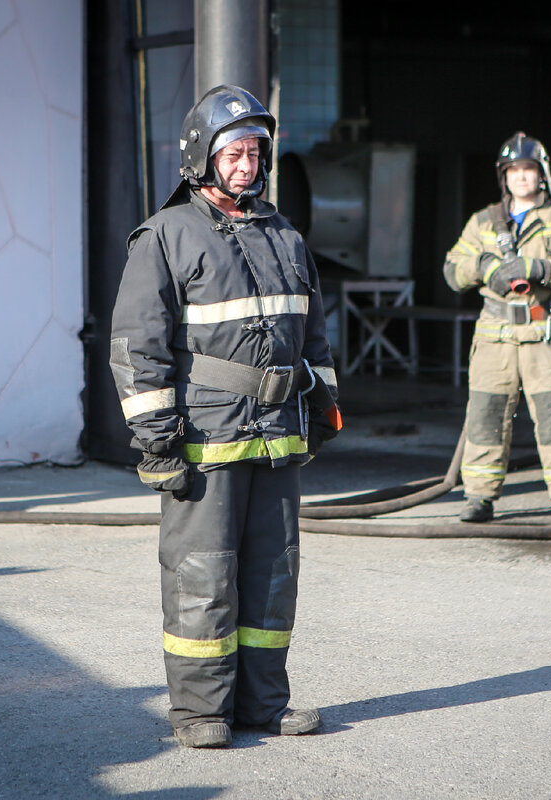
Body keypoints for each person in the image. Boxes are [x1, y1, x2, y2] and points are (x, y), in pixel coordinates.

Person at [109, 85, 341, 748]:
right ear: (200, 159)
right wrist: (156, 441)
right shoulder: (165, 236)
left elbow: (312, 333)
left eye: (255, 153)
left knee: (273, 576)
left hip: (277, 439)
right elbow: (135, 345)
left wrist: (322, 405)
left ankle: (265, 704)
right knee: (203, 577)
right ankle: (199, 712)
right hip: (205, 443)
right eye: (233, 153)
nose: (246, 165)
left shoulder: (285, 236)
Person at [443, 132, 551, 526]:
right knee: (484, 418)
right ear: (504, 176)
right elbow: (451, 270)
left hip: (547, 335)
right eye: (514, 170)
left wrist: (539, 268)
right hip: (495, 336)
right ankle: (479, 497)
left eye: (528, 169)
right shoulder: (483, 221)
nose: (522, 177)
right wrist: (484, 268)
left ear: (541, 174)